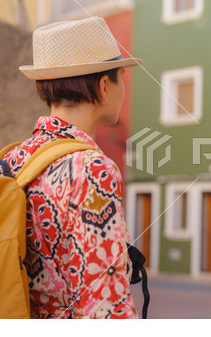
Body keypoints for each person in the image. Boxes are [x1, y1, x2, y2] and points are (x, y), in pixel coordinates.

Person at [1, 17, 142, 318]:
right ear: (105, 86)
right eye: (121, 76)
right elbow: (107, 304)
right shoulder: (92, 170)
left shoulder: (13, 160)